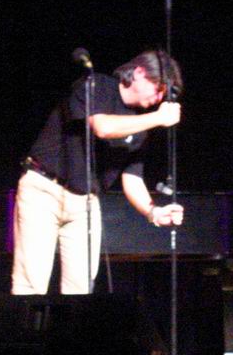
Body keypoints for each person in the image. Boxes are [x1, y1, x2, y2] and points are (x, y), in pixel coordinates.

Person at [11, 49, 184, 295]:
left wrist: (153, 211)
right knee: (31, 282)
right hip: (44, 190)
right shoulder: (97, 85)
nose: (159, 98)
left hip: (86, 203)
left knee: (81, 288)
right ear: (139, 73)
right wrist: (157, 118)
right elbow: (102, 127)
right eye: (158, 88)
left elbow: (132, 178)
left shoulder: (140, 125)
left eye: (164, 94)